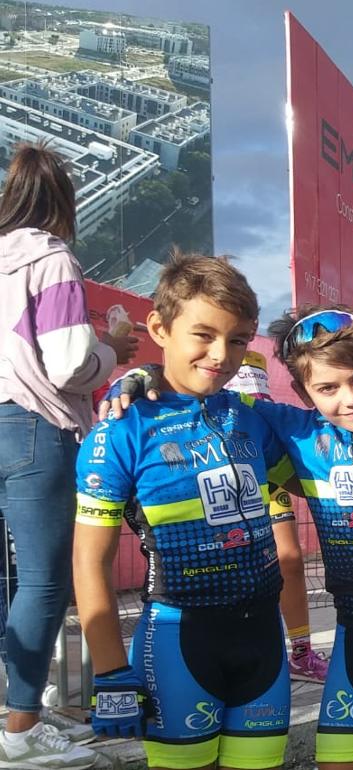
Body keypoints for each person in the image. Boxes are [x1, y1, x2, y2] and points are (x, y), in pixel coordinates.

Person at [104, 307, 353, 770]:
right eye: (327, 388)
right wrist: (149, 373)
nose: (350, 398)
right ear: (302, 392)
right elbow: (204, 390)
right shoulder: (296, 431)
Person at [73, 254, 292, 770]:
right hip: (178, 640)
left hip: (264, 637)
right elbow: (89, 561)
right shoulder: (121, 428)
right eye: (204, 335)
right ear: (159, 328)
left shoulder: (250, 418)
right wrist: (110, 670)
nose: (221, 354)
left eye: (237, 340)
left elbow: (312, 474)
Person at [0, 142, 136, 769]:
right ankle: (22, 729)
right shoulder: (51, 258)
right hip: (35, 425)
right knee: (44, 578)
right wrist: (113, 349)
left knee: (10, 581)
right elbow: (68, 365)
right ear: (63, 200)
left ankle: (17, 707)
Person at [224, 351, 329, 683]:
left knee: (290, 559)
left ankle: (301, 653)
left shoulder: (255, 364)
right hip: (222, 476)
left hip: (265, 471)